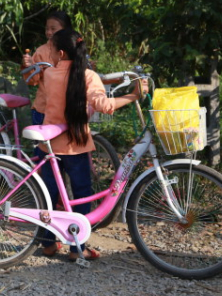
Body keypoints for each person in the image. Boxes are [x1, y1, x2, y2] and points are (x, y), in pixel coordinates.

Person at [37, 28, 146, 261]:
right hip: (76, 145)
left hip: (49, 146)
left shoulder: (49, 74)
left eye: (52, 50)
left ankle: (47, 243)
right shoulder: (87, 76)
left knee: (48, 195)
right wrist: (133, 96)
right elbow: (104, 105)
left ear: (61, 52)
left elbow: (48, 102)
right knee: (82, 194)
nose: (51, 54)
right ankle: (78, 248)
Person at [21, 11, 73, 162]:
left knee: (64, 153)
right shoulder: (42, 51)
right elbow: (33, 80)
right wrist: (29, 67)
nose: (49, 32)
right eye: (47, 28)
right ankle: (40, 183)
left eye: (53, 28)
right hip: (44, 110)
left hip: (67, 109)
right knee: (44, 155)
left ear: (66, 29)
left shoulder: (75, 48)